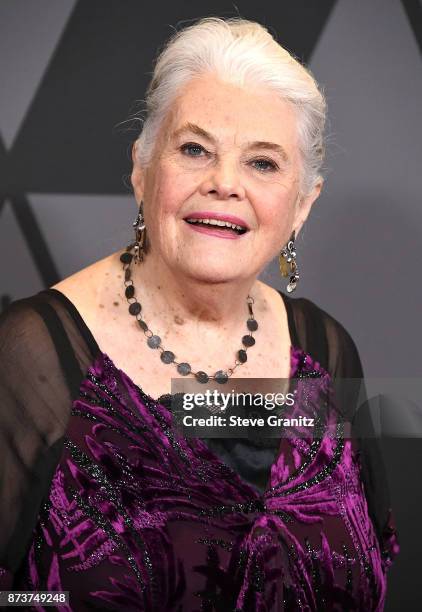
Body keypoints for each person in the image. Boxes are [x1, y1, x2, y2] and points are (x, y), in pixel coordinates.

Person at [0, 16, 398, 611]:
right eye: (194, 149)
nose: (224, 184)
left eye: (263, 163)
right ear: (142, 169)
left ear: (303, 204)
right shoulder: (33, 356)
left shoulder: (324, 348)